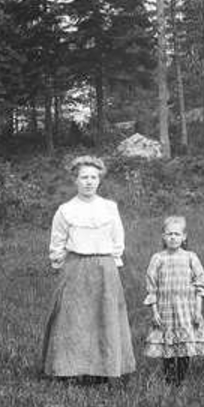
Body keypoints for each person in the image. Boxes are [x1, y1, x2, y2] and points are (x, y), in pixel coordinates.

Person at [41, 155, 136, 382]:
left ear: (99, 180)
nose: (89, 182)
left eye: (93, 177)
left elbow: (117, 240)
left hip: (104, 267)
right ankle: (69, 369)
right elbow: (57, 243)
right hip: (75, 267)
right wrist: (62, 264)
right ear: (75, 180)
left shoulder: (109, 208)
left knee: (105, 317)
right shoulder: (66, 210)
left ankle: (104, 369)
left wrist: (110, 262)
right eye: (84, 177)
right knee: (73, 318)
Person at [142, 215, 204, 385]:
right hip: (165, 310)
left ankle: (181, 379)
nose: (173, 237)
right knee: (168, 346)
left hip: (186, 310)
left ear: (184, 237)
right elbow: (151, 287)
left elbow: (200, 285)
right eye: (169, 234)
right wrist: (154, 312)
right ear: (163, 236)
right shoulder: (158, 258)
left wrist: (198, 311)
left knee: (184, 346)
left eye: (177, 234)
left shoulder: (191, 257)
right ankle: (170, 380)